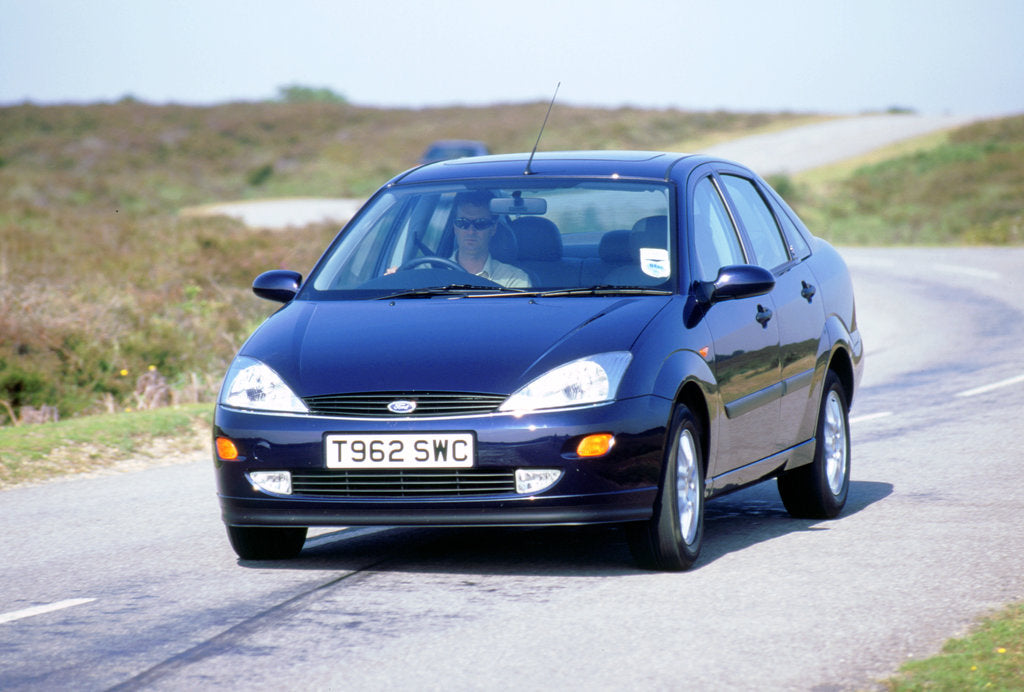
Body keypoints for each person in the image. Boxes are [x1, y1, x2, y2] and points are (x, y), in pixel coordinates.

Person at [450, 191, 530, 289]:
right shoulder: (430, 271)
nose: (471, 231)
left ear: (493, 228)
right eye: (462, 223)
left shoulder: (514, 279)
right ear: (454, 226)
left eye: (481, 223)